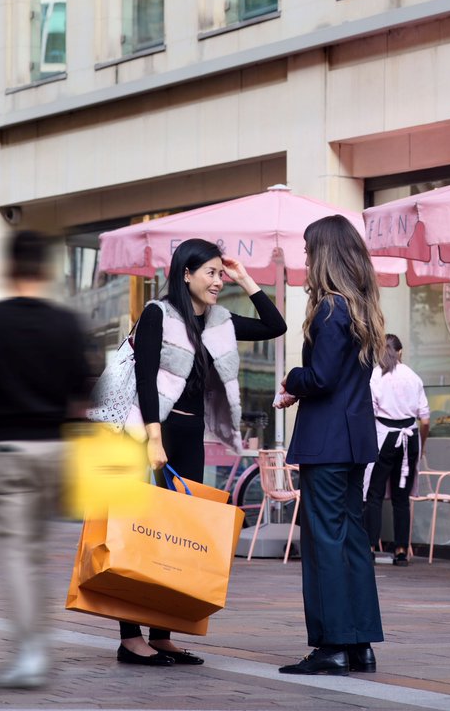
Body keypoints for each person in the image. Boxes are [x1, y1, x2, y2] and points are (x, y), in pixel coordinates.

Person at [115, 237, 286, 667]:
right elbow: (144, 378)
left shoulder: (218, 321)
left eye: (219, 273)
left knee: (179, 536)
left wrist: (246, 279)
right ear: (185, 274)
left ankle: (162, 633)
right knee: (139, 532)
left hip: (190, 433)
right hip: (148, 432)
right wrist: (153, 439)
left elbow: (274, 326)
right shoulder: (158, 314)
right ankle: (130, 637)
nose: (217, 280)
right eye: (210, 273)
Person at [0, 231, 92, 689]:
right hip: (54, 450)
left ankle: (31, 651)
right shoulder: (67, 324)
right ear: (47, 271)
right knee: (34, 552)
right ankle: (36, 647)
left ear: (7, 270)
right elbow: (84, 391)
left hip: (5, 450)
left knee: (15, 555)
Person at [276, 215, 385, 677]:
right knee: (353, 541)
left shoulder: (329, 310)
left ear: (323, 255)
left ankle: (331, 647)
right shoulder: (361, 308)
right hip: (355, 440)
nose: (304, 258)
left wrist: (291, 380)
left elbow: (320, 377)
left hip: (326, 443)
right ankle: (359, 645)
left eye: (307, 251)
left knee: (323, 543)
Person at [363, 333, 429, 565]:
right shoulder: (413, 377)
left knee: (374, 495)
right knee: (402, 498)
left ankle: (370, 547)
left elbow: (369, 413)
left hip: (384, 438)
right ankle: (401, 551)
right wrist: (421, 447)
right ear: (400, 352)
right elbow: (426, 419)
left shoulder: (375, 376)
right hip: (410, 438)